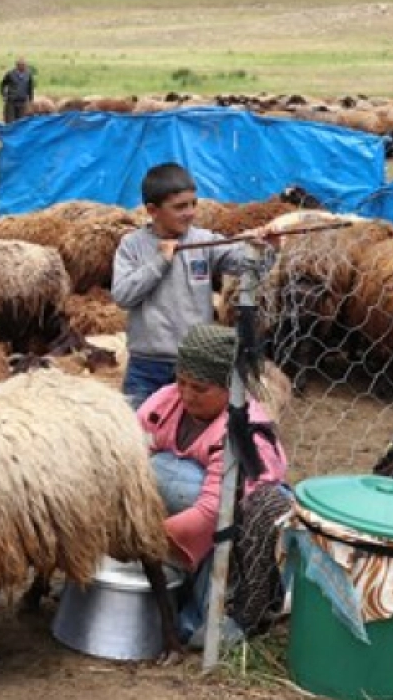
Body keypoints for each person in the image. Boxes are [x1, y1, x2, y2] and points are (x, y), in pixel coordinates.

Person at [136, 323, 290, 645]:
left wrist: (146, 539)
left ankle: (239, 602)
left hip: (234, 523)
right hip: (187, 513)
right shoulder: (165, 403)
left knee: (198, 630)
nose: (187, 394)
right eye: (181, 381)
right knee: (154, 469)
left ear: (230, 388)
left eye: (200, 388)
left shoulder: (245, 432)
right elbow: (131, 456)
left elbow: (213, 510)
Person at [112, 162, 246, 407]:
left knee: (196, 426)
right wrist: (160, 261)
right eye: (180, 207)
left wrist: (264, 246)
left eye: (193, 204)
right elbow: (122, 295)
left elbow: (244, 261)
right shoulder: (132, 246)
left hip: (196, 363)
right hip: (147, 367)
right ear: (152, 210)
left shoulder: (203, 241)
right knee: (139, 427)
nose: (190, 212)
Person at [0, 57, 34, 123]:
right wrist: (3, 95)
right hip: (11, 103)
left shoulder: (28, 75)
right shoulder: (10, 74)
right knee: (10, 123)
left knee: (21, 123)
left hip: (22, 103)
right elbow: (2, 84)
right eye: (22, 65)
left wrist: (31, 102)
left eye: (25, 65)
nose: (24, 67)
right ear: (17, 66)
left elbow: (30, 89)